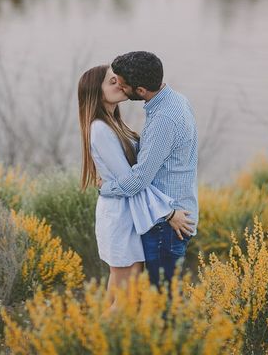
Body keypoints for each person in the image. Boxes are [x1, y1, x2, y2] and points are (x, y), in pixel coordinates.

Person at [78, 64, 193, 311]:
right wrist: (169, 212)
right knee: (127, 300)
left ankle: (99, 339)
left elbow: (133, 177)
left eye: (118, 79)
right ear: (96, 94)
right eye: (112, 82)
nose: (120, 84)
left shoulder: (112, 123)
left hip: (125, 214)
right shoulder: (100, 129)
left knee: (117, 293)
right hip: (120, 218)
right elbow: (134, 181)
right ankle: (93, 344)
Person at [98, 51, 199, 287]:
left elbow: (139, 180)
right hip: (172, 215)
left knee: (162, 299)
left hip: (166, 223)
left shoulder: (164, 119)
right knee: (161, 295)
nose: (120, 88)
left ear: (141, 90)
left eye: (123, 85)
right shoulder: (176, 100)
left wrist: (105, 188)